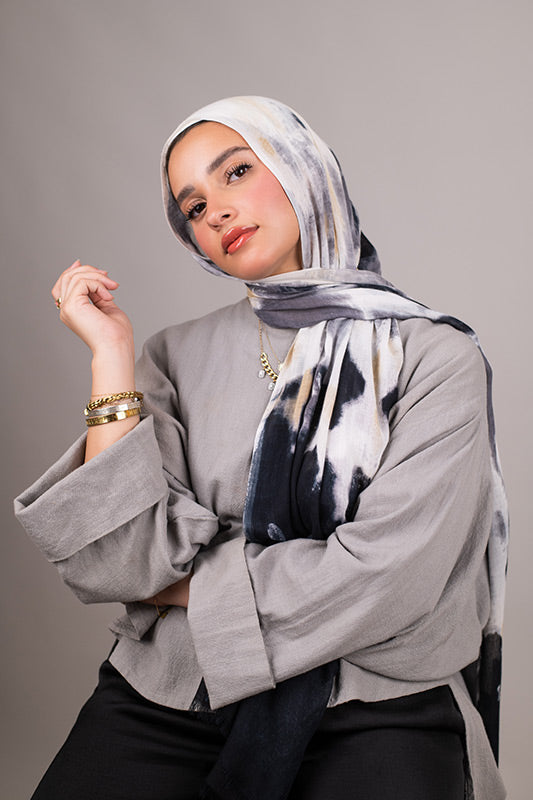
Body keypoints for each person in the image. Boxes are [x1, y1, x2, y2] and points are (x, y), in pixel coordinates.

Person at [14, 96, 508, 800]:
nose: (215, 211)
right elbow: (116, 557)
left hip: (374, 690)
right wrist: (111, 355)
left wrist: (180, 582)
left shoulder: (435, 357)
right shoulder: (173, 355)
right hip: (179, 684)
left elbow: (388, 579)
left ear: (304, 168)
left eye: (237, 172)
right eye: (193, 207)